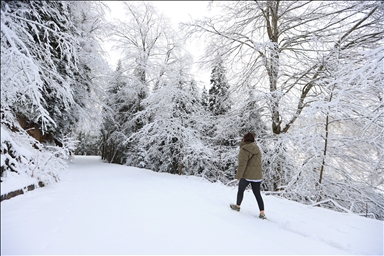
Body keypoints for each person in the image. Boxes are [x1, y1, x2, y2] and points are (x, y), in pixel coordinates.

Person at [230, 132, 266, 220]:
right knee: (257, 194)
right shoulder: (257, 148)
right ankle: (262, 213)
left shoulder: (244, 149)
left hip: (247, 175)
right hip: (257, 176)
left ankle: (237, 206)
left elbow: (242, 164)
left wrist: (238, 176)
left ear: (244, 139)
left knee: (241, 190)